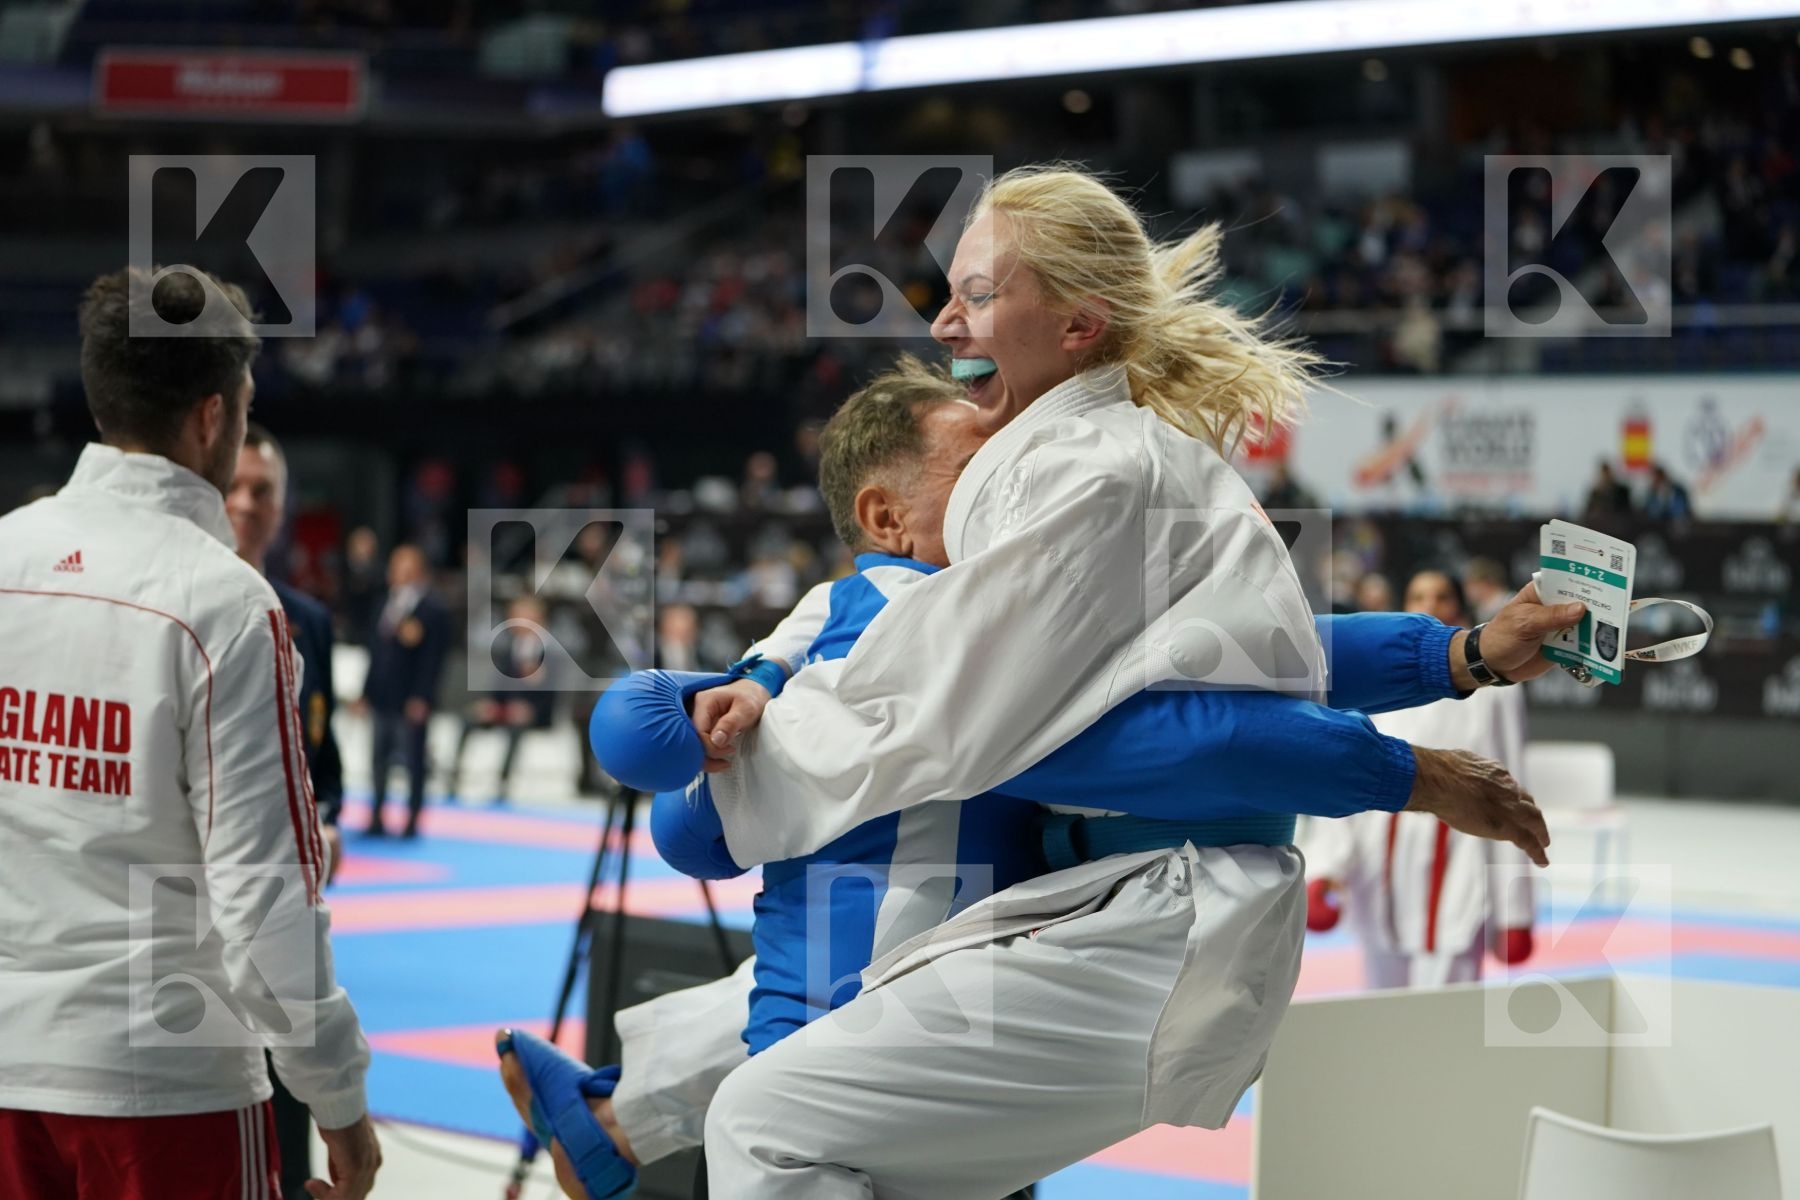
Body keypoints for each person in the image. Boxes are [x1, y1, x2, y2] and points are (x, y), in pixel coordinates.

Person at [512, 167, 1576, 1199]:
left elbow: (1118, 727)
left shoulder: (1078, 477)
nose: (943, 327)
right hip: (1110, 905)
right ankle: (612, 1119)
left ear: (1076, 326)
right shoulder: (1091, 462)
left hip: (1157, 920)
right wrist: (1460, 654)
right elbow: (1270, 653)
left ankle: (613, 1121)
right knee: (832, 1056)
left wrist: (1413, 773)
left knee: (769, 1119)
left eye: (978, 293)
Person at [0, 266, 379, 1200]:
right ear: (214, 417)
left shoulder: (4, 555)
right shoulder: (226, 603)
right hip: (167, 1085)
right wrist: (338, 1098)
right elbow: (264, 899)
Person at [1303, 569, 1536, 987]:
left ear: (1459, 607)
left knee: (1448, 1004)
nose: (1429, 605)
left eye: (1442, 595)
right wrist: (1324, 868)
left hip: (1461, 853)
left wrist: (1514, 910)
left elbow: (1510, 785)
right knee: (1381, 1003)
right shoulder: (1374, 676)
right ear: (1402, 607)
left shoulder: (1497, 685)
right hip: (1381, 858)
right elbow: (1348, 766)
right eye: (1418, 596)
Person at [226, 422, 351, 1199]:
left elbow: (323, 753)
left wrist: (327, 816)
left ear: (282, 506)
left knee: (293, 1064)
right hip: (199, 894)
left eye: (261, 490)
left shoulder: (307, 619)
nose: (244, 503)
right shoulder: (186, 606)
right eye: (233, 487)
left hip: (287, 891)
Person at [361, 543, 449, 838]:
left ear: (418, 571)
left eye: (404, 566)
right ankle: (376, 814)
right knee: (378, 758)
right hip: (383, 694)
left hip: (410, 697)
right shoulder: (385, 603)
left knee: (413, 760)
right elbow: (375, 652)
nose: (396, 572)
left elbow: (433, 659)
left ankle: (412, 818)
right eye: (395, 565)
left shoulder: (432, 608)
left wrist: (423, 697)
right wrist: (366, 691)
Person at [446, 595, 555, 806]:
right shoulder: (509, 647)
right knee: (468, 720)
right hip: (505, 709)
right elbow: (499, 683)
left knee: (516, 728)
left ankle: (502, 784)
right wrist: (489, 703)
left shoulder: (551, 651)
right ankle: (454, 777)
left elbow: (553, 692)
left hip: (533, 713)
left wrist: (531, 708)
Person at [1463, 556, 1511, 624]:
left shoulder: (1510, 601)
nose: (1466, 590)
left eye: (1469, 584)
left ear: (1484, 583)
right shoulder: (1478, 612)